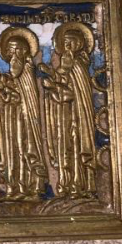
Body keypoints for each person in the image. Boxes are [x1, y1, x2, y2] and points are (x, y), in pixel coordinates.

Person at [40, 22, 97, 198]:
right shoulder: (67, 65)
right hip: (64, 114)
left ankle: (79, 184)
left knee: (77, 145)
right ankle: (66, 183)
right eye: (64, 44)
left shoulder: (78, 65)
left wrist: (53, 86)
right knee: (65, 146)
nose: (66, 48)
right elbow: (62, 79)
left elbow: (73, 93)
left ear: (78, 44)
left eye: (70, 43)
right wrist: (51, 75)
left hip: (77, 115)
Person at [0, 30, 48, 200]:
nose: (12, 54)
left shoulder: (26, 68)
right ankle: (19, 187)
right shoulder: (14, 72)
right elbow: (12, 96)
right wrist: (4, 90)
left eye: (16, 49)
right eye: (10, 50)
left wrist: (5, 87)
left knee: (30, 147)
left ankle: (36, 187)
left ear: (24, 51)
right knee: (16, 149)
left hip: (28, 116)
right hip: (15, 116)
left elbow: (23, 94)